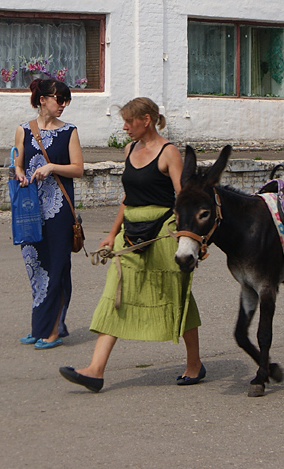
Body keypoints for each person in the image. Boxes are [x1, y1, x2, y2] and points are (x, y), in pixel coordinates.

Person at [60, 97, 203, 393]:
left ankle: (194, 364)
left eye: (129, 121)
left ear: (146, 120)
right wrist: (113, 234)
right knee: (117, 294)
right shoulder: (129, 150)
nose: (124, 127)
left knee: (176, 294)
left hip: (164, 231)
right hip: (130, 233)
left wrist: (186, 235)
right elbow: (128, 197)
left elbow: (182, 197)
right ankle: (95, 371)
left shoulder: (169, 152)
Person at [12, 78, 84, 349]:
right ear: (43, 99)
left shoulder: (69, 132)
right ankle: (40, 325)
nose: (63, 105)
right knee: (34, 266)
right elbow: (17, 164)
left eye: (66, 100)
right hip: (30, 209)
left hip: (59, 211)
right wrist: (19, 173)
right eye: (59, 99)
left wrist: (53, 167)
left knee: (56, 266)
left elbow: (78, 169)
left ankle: (52, 330)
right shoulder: (24, 130)